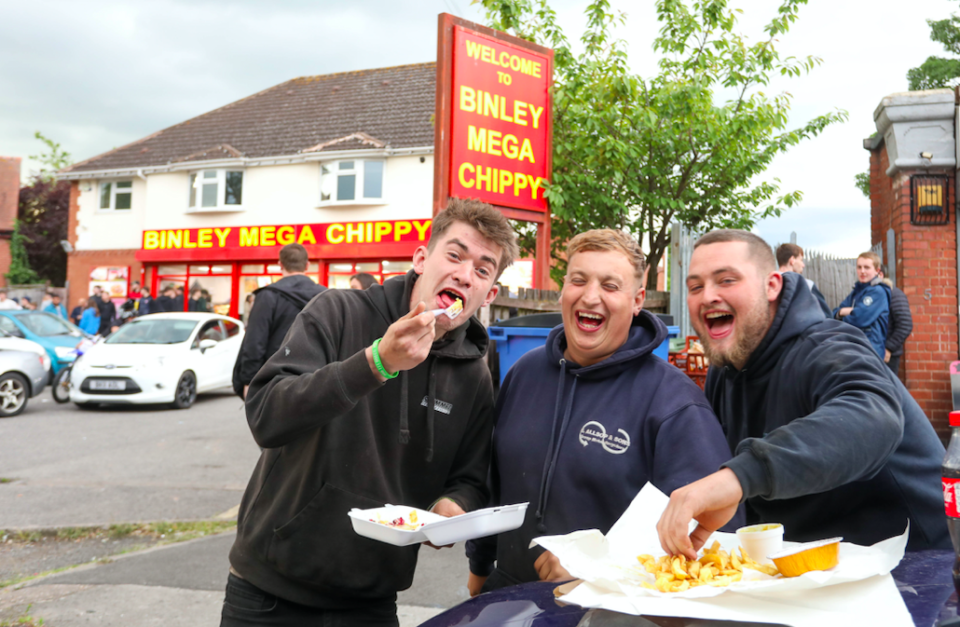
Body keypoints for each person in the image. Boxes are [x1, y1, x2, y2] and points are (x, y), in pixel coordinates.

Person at [221, 198, 519, 627]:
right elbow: (267, 415)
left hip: (373, 600)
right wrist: (377, 363)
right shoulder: (338, 312)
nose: (463, 273)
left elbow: (471, 476)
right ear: (421, 259)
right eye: (454, 255)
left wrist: (454, 505)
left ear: (488, 294)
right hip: (269, 590)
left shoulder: (474, 373)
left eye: (482, 269)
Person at [465, 229, 741, 595]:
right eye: (579, 280)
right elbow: (495, 482)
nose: (590, 296)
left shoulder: (674, 402)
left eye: (610, 286)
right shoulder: (524, 373)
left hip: (615, 612)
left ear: (637, 299)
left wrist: (600, 570)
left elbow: (713, 541)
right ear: (564, 289)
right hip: (509, 597)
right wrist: (480, 566)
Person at [656, 229, 949, 560]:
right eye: (695, 287)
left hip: (916, 569)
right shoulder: (725, 373)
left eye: (726, 280)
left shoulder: (828, 346)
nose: (707, 295)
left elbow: (874, 416)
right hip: (807, 571)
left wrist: (742, 475)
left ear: (772, 286)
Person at [232, 243, 327, 399]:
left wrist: (249, 381)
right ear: (307, 265)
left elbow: (255, 341)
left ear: (280, 264)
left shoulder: (267, 296)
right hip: (318, 378)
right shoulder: (325, 296)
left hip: (275, 380)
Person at [832, 251, 890, 359]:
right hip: (855, 350)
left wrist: (845, 314)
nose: (862, 271)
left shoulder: (877, 292)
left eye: (867, 267)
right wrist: (842, 312)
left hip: (870, 352)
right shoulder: (856, 292)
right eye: (859, 267)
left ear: (877, 270)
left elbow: (859, 318)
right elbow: (834, 313)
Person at [775, 243, 830, 317]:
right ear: (792, 260)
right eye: (801, 260)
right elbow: (826, 316)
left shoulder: (768, 284)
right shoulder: (807, 285)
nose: (803, 265)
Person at [879, 265, 913, 380]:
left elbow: (905, 325)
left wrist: (888, 348)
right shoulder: (871, 295)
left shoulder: (894, 294)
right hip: (873, 352)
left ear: (880, 275)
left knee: (886, 392)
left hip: (887, 357)